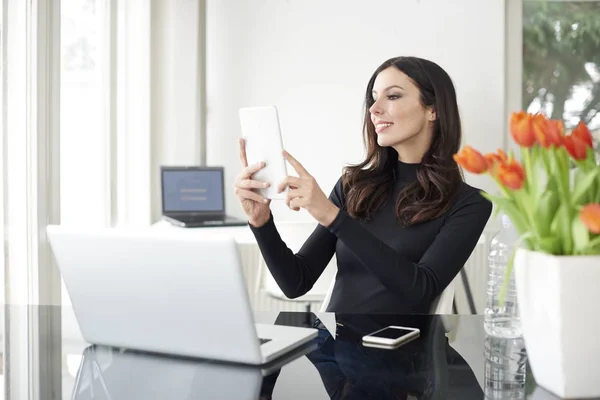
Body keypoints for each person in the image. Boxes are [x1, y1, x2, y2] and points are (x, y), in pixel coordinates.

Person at [234, 56, 492, 314]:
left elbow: (420, 291)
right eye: (373, 97)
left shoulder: (469, 203)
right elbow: (295, 283)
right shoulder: (353, 186)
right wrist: (261, 222)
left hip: (402, 350)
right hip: (334, 346)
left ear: (432, 109)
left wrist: (335, 219)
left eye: (392, 96)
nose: (374, 109)